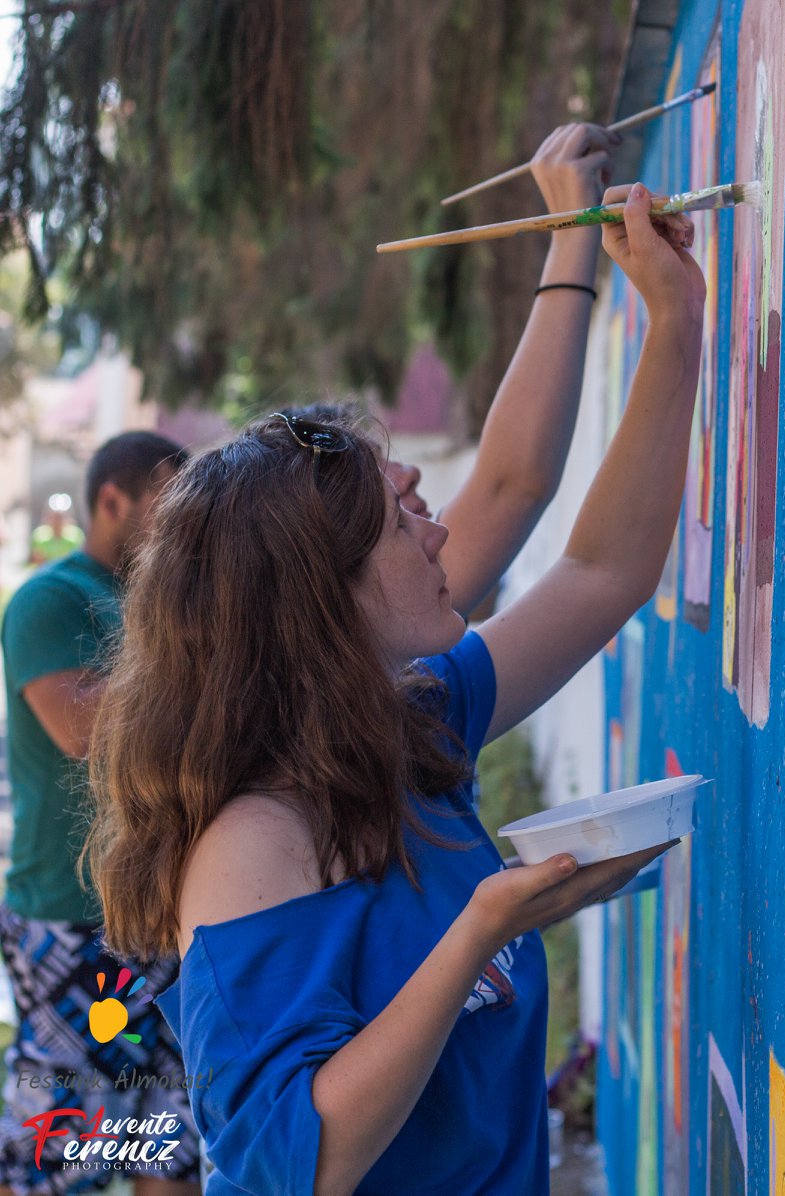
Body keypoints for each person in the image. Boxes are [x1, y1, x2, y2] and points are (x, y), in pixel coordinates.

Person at [85, 178, 703, 1195]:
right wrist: (480, 929)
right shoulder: (251, 844)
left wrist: (675, 320)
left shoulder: (408, 723)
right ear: (324, 596)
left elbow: (601, 573)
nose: (444, 533)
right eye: (405, 521)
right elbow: (300, 1161)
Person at [292, 120, 702, 622]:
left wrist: (670, 308)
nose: (440, 531)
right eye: (394, 522)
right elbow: (590, 564)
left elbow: (580, 551)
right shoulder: (411, 691)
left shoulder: (428, 684)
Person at [0, 431, 194, 1196]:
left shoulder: (161, 605)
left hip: (161, 916)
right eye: (166, 503)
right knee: (53, 1150)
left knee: (165, 1141)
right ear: (113, 500)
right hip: (66, 918)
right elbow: (83, 733)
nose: (182, 522)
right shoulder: (50, 599)